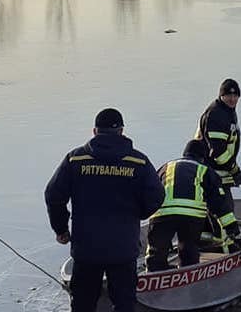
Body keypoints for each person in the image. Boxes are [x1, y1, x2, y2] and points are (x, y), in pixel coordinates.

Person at [45, 108, 164, 312]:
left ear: (94, 131)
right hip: (123, 248)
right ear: (122, 131)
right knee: (124, 304)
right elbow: (157, 196)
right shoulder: (138, 162)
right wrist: (139, 214)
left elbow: (53, 195)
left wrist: (61, 229)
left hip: (86, 248)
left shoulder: (76, 160)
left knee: (83, 304)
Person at [145, 140, 241, 272]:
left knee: (156, 254)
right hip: (191, 216)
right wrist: (238, 237)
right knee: (188, 251)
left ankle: (152, 278)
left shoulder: (165, 167)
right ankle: (188, 276)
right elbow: (221, 208)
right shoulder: (205, 170)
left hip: (161, 215)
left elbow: (149, 193)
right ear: (203, 157)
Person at [195, 78, 241, 207]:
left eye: (235, 95)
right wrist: (235, 170)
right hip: (214, 175)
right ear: (221, 96)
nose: (232, 99)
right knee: (224, 215)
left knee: (219, 213)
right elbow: (218, 152)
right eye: (228, 95)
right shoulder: (217, 115)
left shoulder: (227, 111)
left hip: (219, 174)